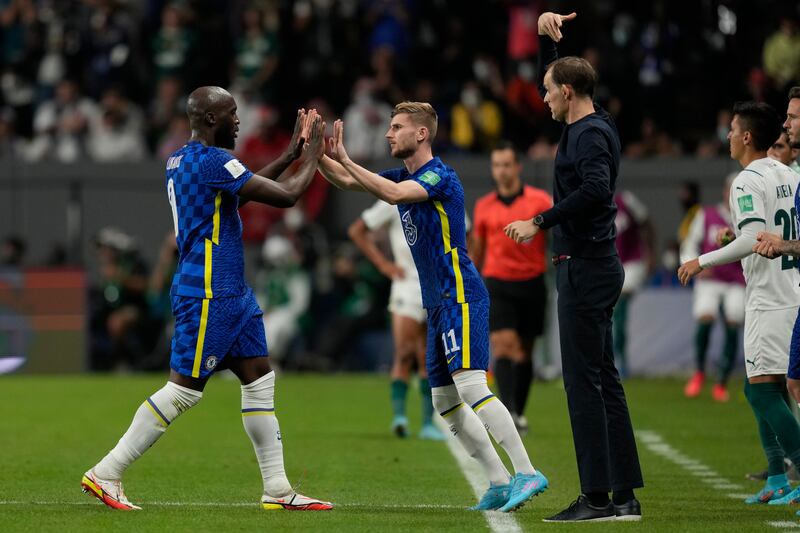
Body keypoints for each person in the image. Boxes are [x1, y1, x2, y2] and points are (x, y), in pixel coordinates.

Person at [81, 87, 333, 511]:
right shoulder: (215, 162)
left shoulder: (181, 159)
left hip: (233, 293)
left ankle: (277, 488)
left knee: (258, 379)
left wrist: (291, 153)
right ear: (213, 119)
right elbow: (286, 196)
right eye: (233, 115)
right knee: (184, 390)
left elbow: (242, 186)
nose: (239, 122)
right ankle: (107, 472)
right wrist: (314, 156)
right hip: (208, 291)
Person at [318, 102, 547, 513]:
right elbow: (345, 182)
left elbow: (388, 193)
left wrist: (348, 158)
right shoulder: (406, 175)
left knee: (473, 386)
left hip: (461, 294)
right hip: (437, 304)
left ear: (421, 134)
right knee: (443, 400)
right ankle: (497, 480)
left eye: (397, 127)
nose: (389, 134)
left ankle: (527, 470)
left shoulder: (440, 175)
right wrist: (317, 155)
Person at [504, 11, 643, 522]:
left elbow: (595, 190)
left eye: (546, 89)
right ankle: (623, 495)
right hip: (595, 264)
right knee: (604, 381)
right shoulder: (594, 120)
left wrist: (538, 220)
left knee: (584, 385)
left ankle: (597, 497)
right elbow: (561, 83)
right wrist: (546, 40)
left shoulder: (587, 137)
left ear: (565, 92)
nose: (542, 98)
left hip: (584, 267)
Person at [679, 100, 800, 506]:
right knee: (763, 389)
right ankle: (779, 477)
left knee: (765, 392)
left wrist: (701, 261)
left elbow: (753, 238)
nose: (727, 136)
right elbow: (766, 235)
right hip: (790, 289)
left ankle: (790, 471)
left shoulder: (746, 180)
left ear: (747, 137)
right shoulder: (788, 174)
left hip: (769, 300)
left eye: (731, 130)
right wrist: (736, 242)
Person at [469, 140, 552, 436]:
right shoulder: (483, 206)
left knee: (524, 351)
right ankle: (508, 413)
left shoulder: (540, 201)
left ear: (517, 167)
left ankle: (518, 409)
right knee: (503, 344)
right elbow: (477, 249)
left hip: (531, 282)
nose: (501, 171)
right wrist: (470, 280)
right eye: (496, 165)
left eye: (506, 164)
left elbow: (555, 233)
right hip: (497, 281)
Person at [348, 198, 444, 440]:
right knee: (404, 351)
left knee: (430, 357)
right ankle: (399, 418)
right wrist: (383, 265)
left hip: (439, 286)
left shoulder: (441, 189)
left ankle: (427, 424)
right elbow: (357, 230)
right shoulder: (393, 197)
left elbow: (467, 233)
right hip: (406, 286)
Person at [679, 174, 745, 402]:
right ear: (725, 192)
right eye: (730, 190)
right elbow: (688, 245)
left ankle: (722, 381)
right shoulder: (705, 214)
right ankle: (699, 372)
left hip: (737, 279)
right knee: (704, 318)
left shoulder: (745, 217)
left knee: (733, 321)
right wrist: (694, 264)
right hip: (710, 278)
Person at [612, 190, 655, 378]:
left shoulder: (626, 200)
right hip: (608, 264)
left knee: (619, 309)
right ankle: (611, 361)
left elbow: (648, 224)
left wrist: (651, 255)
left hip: (632, 262)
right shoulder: (589, 204)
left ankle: (621, 361)